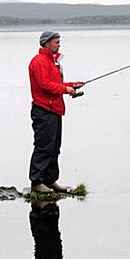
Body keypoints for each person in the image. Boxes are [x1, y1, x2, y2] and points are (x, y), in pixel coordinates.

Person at [28, 31, 83, 193]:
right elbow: (45, 85)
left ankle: (50, 181)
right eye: (56, 42)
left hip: (55, 110)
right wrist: (66, 89)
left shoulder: (52, 61)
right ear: (46, 44)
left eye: (59, 42)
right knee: (43, 147)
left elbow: (53, 83)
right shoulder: (39, 61)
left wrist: (72, 84)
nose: (59, 45)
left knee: (54, 147)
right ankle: (37, 183)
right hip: (43, 110)